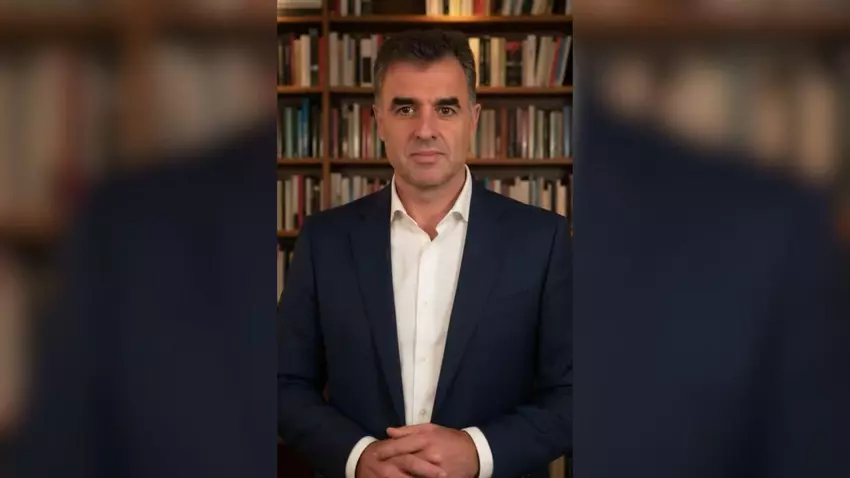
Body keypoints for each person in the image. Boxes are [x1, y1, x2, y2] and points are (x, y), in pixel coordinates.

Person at [277, 29, 572, 478]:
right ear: (378, 120)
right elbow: (283, 383)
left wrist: (477, 452)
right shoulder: (324, 240)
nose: (425, 130)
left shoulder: (543, 240)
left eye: (446, 109)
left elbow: (573, 393)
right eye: (405, 108)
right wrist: (358, 457)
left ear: (474, 118)